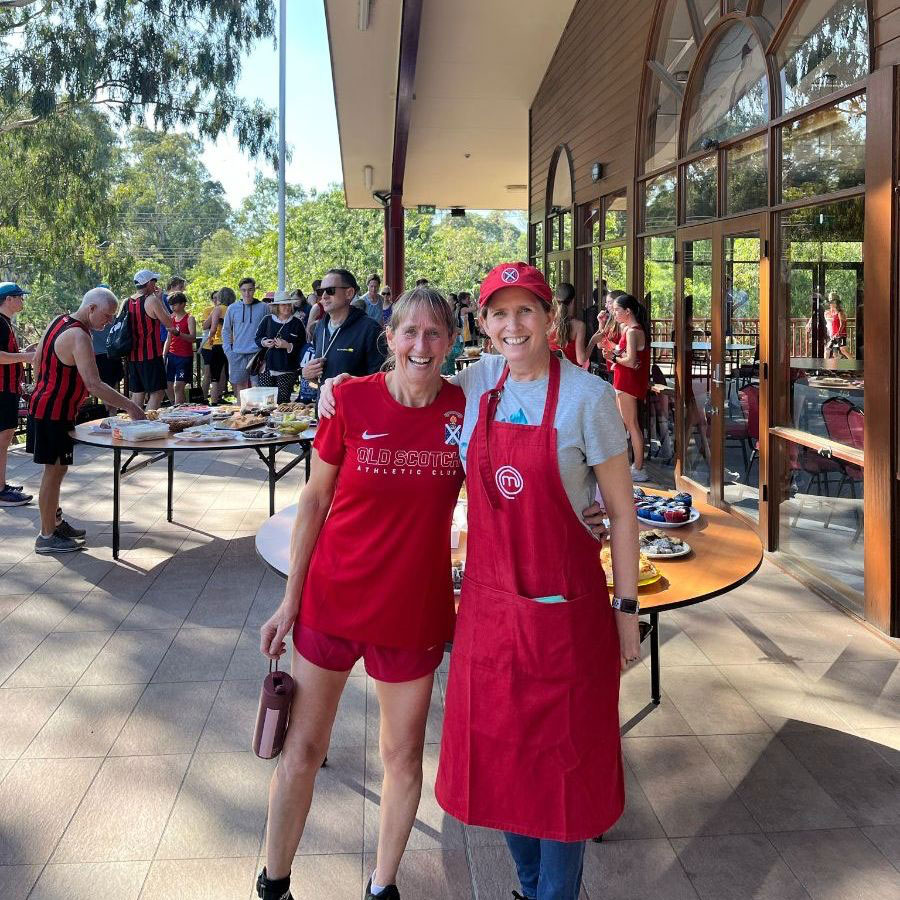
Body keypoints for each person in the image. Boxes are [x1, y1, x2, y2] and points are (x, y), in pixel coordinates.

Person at [320, 263, 639, 900]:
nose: (512, 326)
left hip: (563, 616)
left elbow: (622, 512)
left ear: (549, 319)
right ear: (484, 324)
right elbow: (409, 381)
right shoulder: (477, 382)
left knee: (564, 772)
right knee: (501, 766)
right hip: (490, 615)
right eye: (499, 314)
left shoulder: (588, 397)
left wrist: (625, 612)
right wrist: (341, 384)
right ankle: (528, 886)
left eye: (525, 312)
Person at [257, 288, 466, 900]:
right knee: (304, 748)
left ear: (451, 342)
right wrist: (290, 601)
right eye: (410, 332)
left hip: (414, 609)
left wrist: (583, 505)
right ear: (389, 337)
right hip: (333, 599)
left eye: (435, 333)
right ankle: (274, 881)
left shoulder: (467, 408)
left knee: (402, 756)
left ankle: (383, 885)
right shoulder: (348, 399)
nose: (421, 345)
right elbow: (314, 501)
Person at [27, 288, 145, 553]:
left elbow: (37, 359)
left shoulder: (58, 321)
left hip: (49, 407)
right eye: (107, 315)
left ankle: (54, 523)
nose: (109, 322)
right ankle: (46, 536)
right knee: (52, 472)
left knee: (58, 469)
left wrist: (42, 387)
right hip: (53, 412)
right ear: (91, 308)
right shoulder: (79, 335)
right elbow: (94, 384)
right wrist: (130, 406)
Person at [300, 269, 385, 392]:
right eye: (320, 291)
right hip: (324, 403)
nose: (324, 296)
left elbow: (380, 381)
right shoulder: (320, 327)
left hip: (355, 403)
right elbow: (317, 385)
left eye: (330, 290)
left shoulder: (370, 329)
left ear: (349, 293)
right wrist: (308, 376)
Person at [604, 292, 651, 483]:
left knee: (631, 425)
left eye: (617, 310)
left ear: (628, 311)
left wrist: (614, 358)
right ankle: (629, 464)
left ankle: (639, 467)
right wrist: (613, 353)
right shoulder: (629, 330)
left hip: (628, 383)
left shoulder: (633, 331)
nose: (614, 313)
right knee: (624, 424)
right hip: (623, 381)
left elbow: (631, 361)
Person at [0, 283, 35, 506]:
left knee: (4, 437)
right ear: (8, 299)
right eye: (20, 297)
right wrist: (24, 357)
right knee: (3, 437)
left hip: (8, 388)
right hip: (2, 389)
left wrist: (22, 353)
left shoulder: (5, 322)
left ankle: (1, 484)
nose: (22, 300)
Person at [126, 270, 175, 411]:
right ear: (148, 283)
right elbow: (169, 322)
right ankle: (147, 422)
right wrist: (160, 301)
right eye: (154, 281)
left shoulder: (127, 301)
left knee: (138, 393)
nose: (156, 285)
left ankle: (136, 422)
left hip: (133, 356)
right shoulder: (151, 300)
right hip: (150, 354)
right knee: (157, 392)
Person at [255, 292, 306, 403]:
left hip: (288, 368)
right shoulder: (267, 320)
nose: (287, 307)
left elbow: (303, 346)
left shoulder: (297, 323)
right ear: (277, 306)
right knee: (267, 401)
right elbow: (257, 338)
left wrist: (288, 345)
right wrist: (265, 342)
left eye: (288, 304)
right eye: (283, 305)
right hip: (267, 367)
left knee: (283, 401)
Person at [223, 277, 268, 394]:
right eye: (244, 290)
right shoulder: (232, 308)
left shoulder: (264, 307)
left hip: (257, 353)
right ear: (240, 291)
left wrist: (265, 352)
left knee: (256, 387)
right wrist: (228, 350)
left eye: (250, 290)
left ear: (254, 290)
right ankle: (241, 406)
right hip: (237, 353)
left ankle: (256, 407)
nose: (247, 293)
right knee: (240, 388)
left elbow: (269, 329)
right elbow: (226, 330)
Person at [162, 292, 196, 405]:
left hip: (184, 357)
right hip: (172, 355)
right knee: (167, 384)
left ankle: (178, 409)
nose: (172, 307)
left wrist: (178, 333)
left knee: (178, 386)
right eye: (171, 305)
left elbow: (192, 338)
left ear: (183, 304)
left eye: (175, 304)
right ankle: (177, 405)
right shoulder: (171, 318)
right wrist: (164, 355)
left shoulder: (189, 318)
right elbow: (168, 339)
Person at [548, 282, 587, 366]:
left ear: (555, 299)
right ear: (573, 301)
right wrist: (593, 341)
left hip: (551, 370)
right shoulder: (579, 326)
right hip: (570, 372)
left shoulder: (548, 320)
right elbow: (581, 360)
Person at [825, 292, 852, 359]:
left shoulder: (840, 312)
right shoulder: (835, 313)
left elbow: (842, 324)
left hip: (840, 335)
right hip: (835, 335)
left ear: (836, 303)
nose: (830, 304)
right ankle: (824, 364)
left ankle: (853, 363)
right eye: (830, 303)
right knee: (828, 349)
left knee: (843, 350)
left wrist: (838, 333)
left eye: (832, 302)